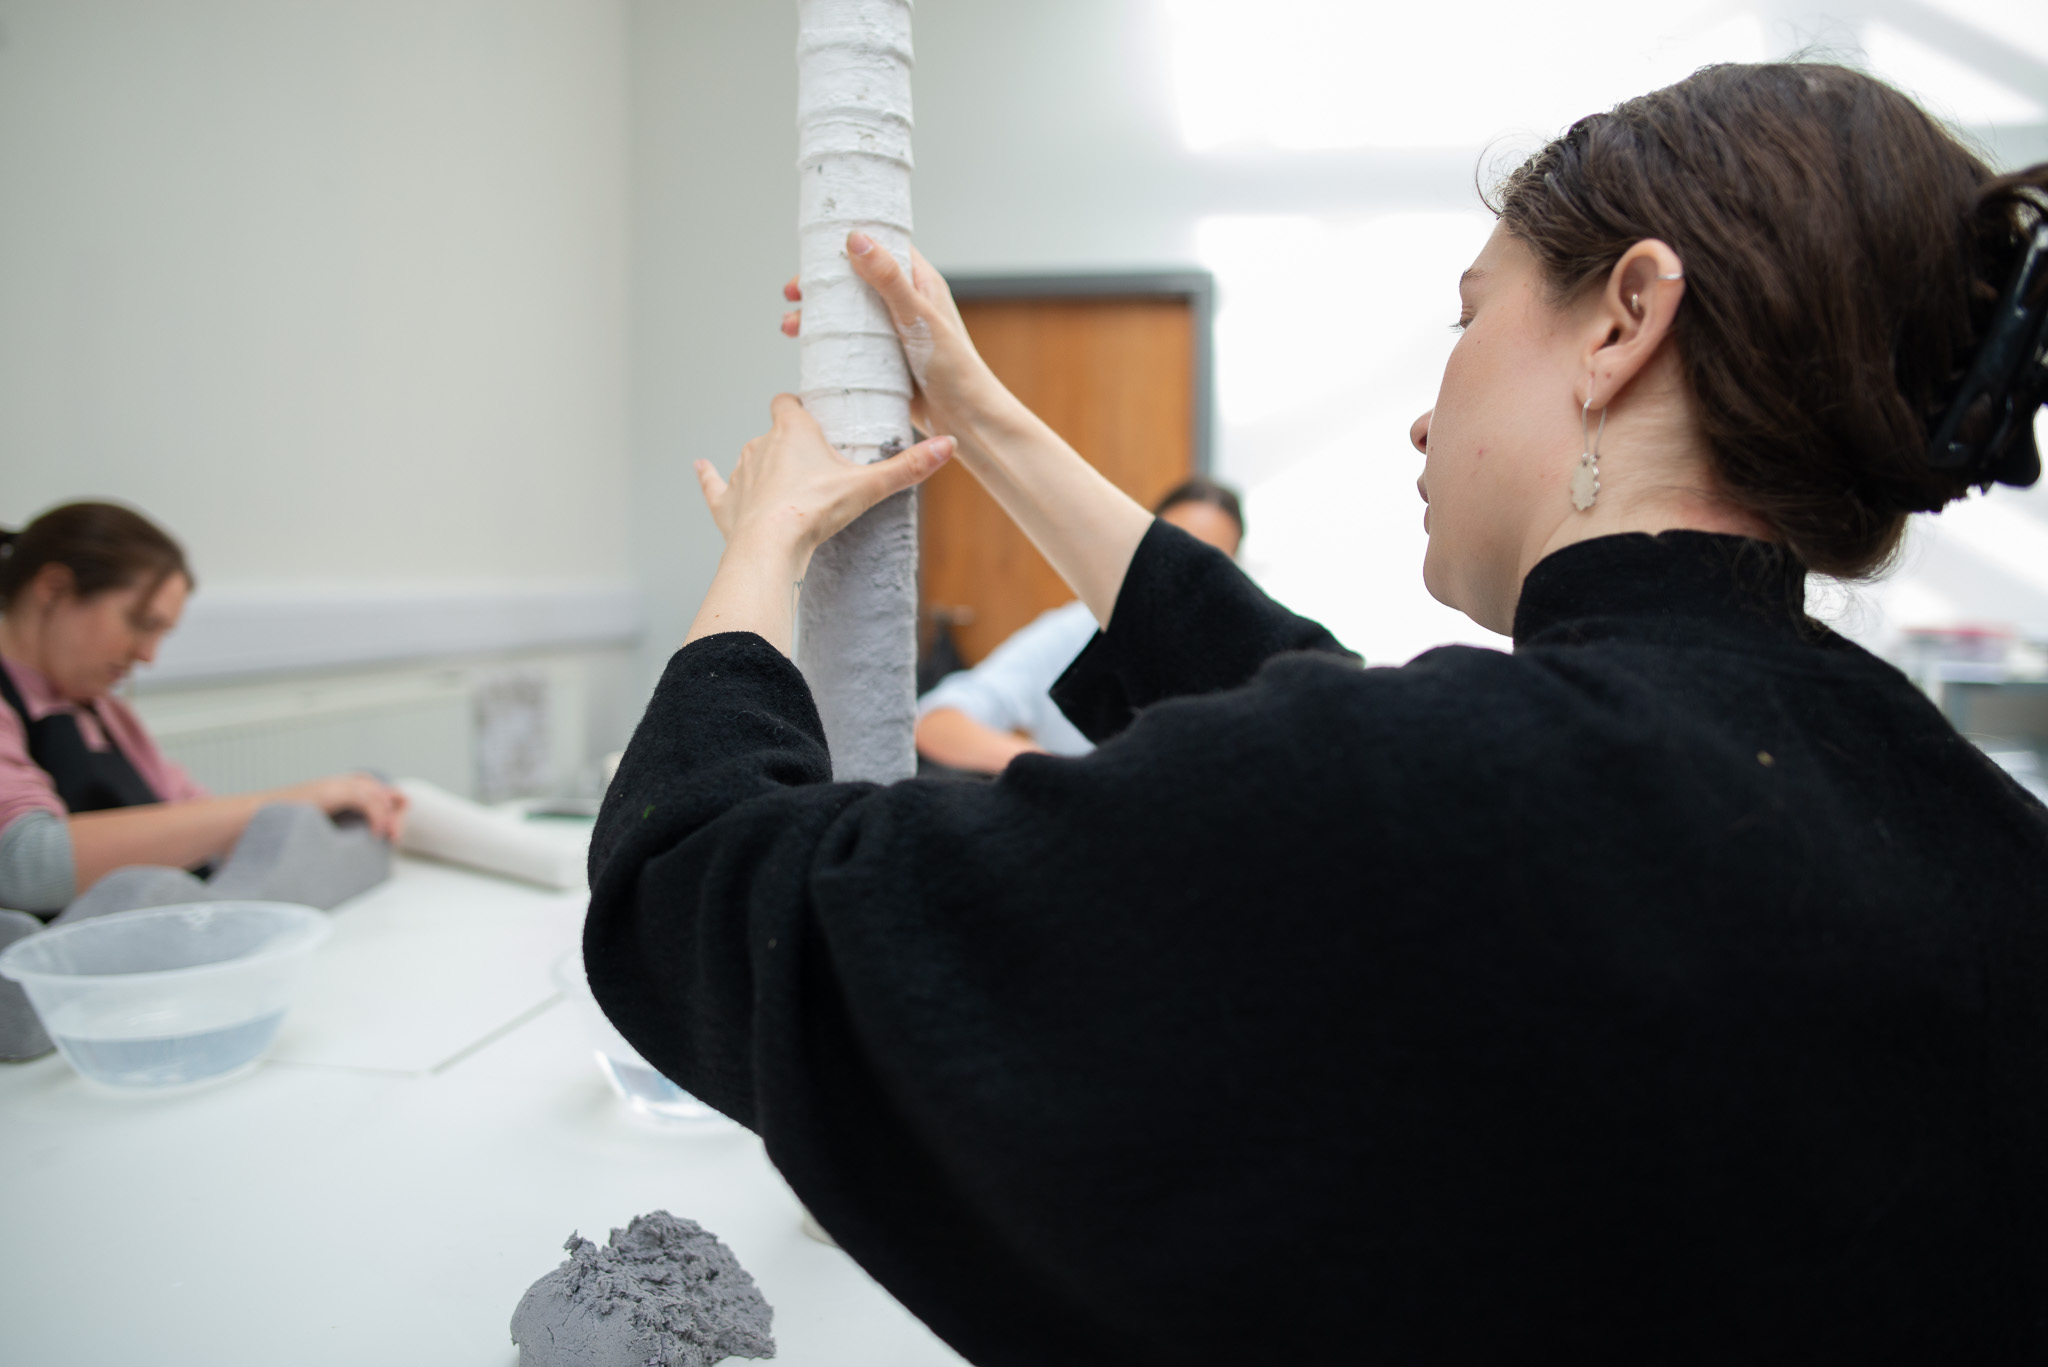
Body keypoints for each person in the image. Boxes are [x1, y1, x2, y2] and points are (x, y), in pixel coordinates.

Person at [586, 63, 2048, 1363]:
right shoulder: (1965, 828)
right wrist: (986, 415)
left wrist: (759, 549)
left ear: (1626, 321)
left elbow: (703, 892)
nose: (1428, 410)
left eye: (1471, 317)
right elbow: (1350, 724)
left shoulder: (1447, 801)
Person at [0, 502, 406, 915]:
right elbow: (27, 865)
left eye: (161, 634)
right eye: (140, 622)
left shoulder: (106, 713)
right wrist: (303, 798)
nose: (147, 655)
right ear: (53, 589)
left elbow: (195, 815)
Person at [915, 477, 1244, 772]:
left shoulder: (1245, 650)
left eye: (1209, 561)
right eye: (1175, 551)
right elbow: (935, 720)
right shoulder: (1078, 631)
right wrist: (1063, 773)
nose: (1185, 574)